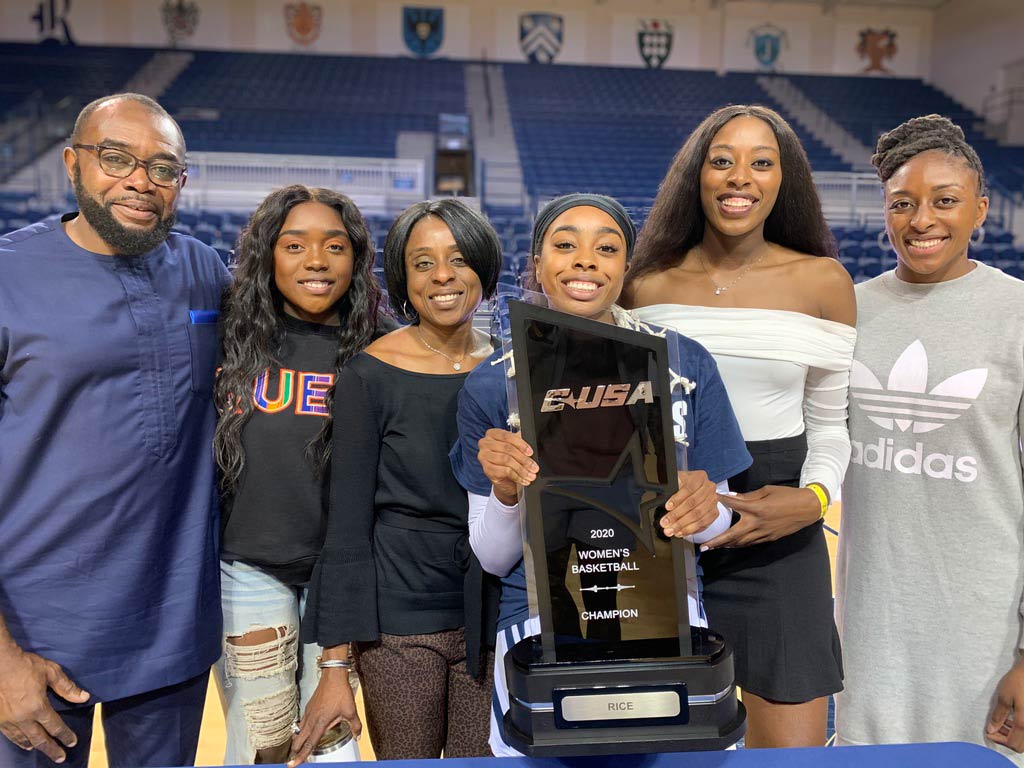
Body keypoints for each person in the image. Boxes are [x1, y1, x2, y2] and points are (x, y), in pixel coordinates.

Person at [450, 193, 752, 757]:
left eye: (606, 247)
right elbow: (491, 558)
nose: (586, 260)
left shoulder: (685, 363)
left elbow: (720, 527)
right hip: (540, 624)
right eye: (565, 245)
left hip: (669, 614)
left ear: (625, 266)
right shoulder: (493, 384)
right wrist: (508, 492)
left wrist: (707, 511)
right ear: (537, 264)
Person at [0, 93, 229, 767]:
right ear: (72, 163)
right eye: (115, 157)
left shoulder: (204, 272)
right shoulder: (7, 275)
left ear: (181, 184)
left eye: (162, 167)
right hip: (34, 645)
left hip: (170, 641)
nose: (140, 180)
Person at [624, 105, 857, 748]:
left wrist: (811, 503)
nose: (740, 177)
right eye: (722, 160)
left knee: (790, 754)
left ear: (785, 180)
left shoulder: (824, 283)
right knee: (662, 744)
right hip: (664, 528)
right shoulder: (644, 286)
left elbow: (830, 426)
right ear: (695, 175)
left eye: (762, 162)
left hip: (780, 532)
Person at [834, 114, 1024, 763]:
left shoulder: (1018, 314)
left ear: (980, 208)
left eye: (944, 201)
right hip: (872, 633)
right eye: (903, 204)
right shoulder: (847, 309)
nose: (922, 221)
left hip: (987, 641)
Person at [296, 199, 503, 764]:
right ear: (403, 280)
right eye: (422, 262)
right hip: (399, 624)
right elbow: (346, 527)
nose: (443, 276)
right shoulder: (369, 374)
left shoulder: (510, 369)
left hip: (490, 610)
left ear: (484, 268)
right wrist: (336, 665)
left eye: (459, 259)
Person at [213, 185, 392, 764]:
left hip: (341, 577)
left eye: (334, 246)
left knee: (330, 746)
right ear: (268, 255)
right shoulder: (229, 334)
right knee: (261, 743)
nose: (316, 260)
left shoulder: (385, 347)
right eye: (295, 244)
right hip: (248, 568)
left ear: (357, 259)